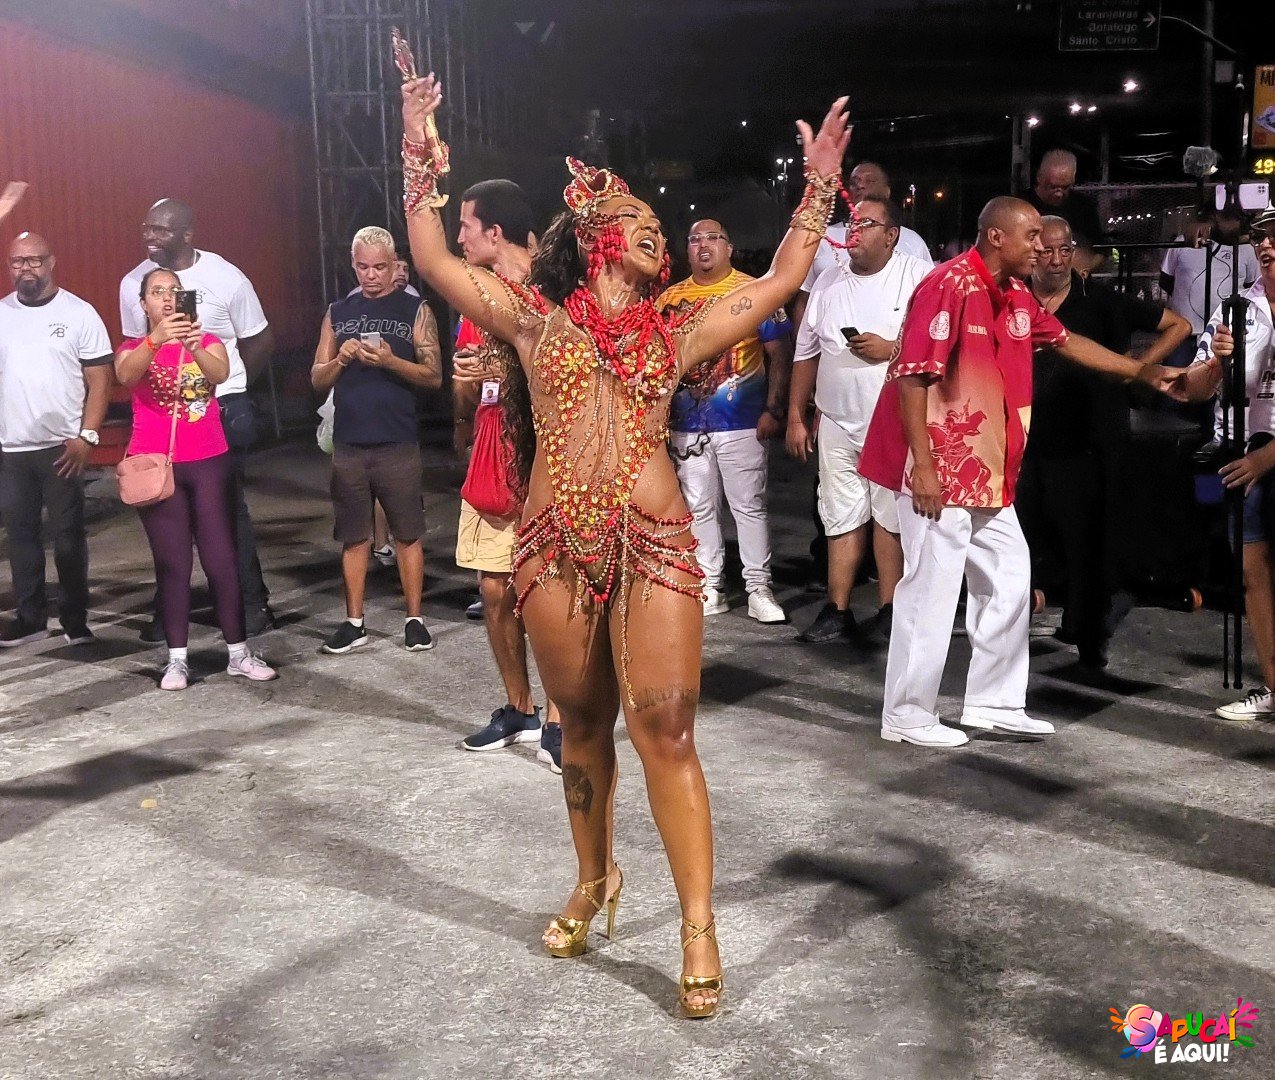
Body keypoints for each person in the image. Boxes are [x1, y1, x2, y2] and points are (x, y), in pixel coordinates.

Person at [402, 71, 850, 1017]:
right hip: (553, 548)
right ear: (596, 237)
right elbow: (435, 257)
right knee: (580, 727)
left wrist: (817, 187)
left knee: (667, 730)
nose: (659, 229)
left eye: (661, 223)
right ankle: (593, 878)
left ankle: (698, 925)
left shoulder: (679, 325)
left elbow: (779, 280)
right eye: (640, 220)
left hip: (651, 544)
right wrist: (418, 140)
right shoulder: (534, 320)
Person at [858, 196, 1207, 748]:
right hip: (939, 469)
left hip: (987, 472)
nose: (1041, 248)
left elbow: (1070, 342)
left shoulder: (1016, 294)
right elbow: (912, 376)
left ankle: (993, 704)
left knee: (1010, 578)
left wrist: (1143, 372)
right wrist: (922, 466)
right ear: (997, 237)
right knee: (930, 590)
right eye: (1032, 238)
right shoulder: (948, 284)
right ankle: (906, 713)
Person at [1019, 216, 1191, 668]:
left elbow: (1179, 325)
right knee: (1022, 536)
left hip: (1086, 439)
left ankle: (1088, 636)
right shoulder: (1015, 299)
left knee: (1085, 541)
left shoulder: (1100, 300)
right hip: (1027, 437)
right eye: (1047, 250)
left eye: (1065, 249)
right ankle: (1016, 625)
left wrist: (1141, 369)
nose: (1057, 260)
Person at [120, 199, 276, 640]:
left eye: (161, 230)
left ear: (187, 235)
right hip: (162, 416)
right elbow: (133, 354)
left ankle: (250, 605)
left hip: (221, 404)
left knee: (227, 514)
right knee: (164, 510)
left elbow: (259, 339)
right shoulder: (134, 283)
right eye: (147, 227)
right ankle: (170, 612)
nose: (150, 236)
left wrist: (227, 387)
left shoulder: (226, 277)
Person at [448, 179, 564, 772]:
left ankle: (560, 718)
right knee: (494, 589)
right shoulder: (475, 302)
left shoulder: (553, 296)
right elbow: (467, 404)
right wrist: (467, 381)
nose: (459, 238)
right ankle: (519, 709)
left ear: (495, 233)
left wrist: (504, 369)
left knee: (551, 595)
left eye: (466, 226)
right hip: (492, 458)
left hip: (546, 460)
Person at [787, 196, 930, 644]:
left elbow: (939, 344)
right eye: (852, 222)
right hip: (835, 419)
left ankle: (891, 609)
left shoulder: (917, 276)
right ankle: (838, 609)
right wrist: (796, 415)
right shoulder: (828, 281)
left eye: (866, 224)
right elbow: (806, 353)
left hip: (892, 420)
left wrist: (892, 348)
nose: (854, 230)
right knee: (839, 514)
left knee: (890, 517)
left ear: (891, 236)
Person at [311, 226, 442, 653]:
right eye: (363, 267)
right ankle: (354, 622)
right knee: (353, 536)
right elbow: (317, 378)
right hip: (350, 443)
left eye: (380, 267)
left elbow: (434, 375)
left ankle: (414, 620)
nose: (371, 275)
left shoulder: (414, 308)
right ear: (353, 265)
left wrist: (390, 361)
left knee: (407, 533)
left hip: (397, 439)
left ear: (393, 264)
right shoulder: (338, 311)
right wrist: (340, 359)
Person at [657, 218, 791, 623]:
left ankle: (758, 589)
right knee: (699, 508)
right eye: (695, 238)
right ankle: (711, 585)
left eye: (713, 238)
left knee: (748, 506)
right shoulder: (669, 300)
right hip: (687, 425)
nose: (704, 245)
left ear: (728, 247)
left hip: (742, 422)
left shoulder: (754, 292)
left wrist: (774, 409)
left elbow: (780, 354)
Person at [0, 232, 111, 646]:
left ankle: (74, 619)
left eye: (34, 260)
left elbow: (100, 379)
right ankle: (30, 619)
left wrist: (88, 436)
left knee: (68, 538)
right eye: (17, 261)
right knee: (21, 537)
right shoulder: (2, 314)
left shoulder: (79, 313)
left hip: (64, 448)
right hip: (13, 448)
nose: (25, 268)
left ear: (51, 262)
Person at [1203, 214, 1275, 720]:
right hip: (1241, 453)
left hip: (1264, 456)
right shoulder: (1235, 309)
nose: (1267, 245)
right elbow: (1198, 385)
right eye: (1260, 237)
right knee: (1254, 575)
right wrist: (1219, 363)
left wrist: (1267, 458)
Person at [790, 161, 932, 330]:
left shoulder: (913, 243)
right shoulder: (822, 239)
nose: (860, 186)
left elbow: (930, 310)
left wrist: (894, 344)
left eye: (869, 181)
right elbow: (804, 300)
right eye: (854, 182)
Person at [1022, 149, 1105, 270]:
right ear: (1039, 177)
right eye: (1052, 187)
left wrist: (1081, 269)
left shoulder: (1083, 206)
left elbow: (1100, 251)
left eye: (1065, 187)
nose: (1058, 194)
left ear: (1073, 180)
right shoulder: (1021, 206)